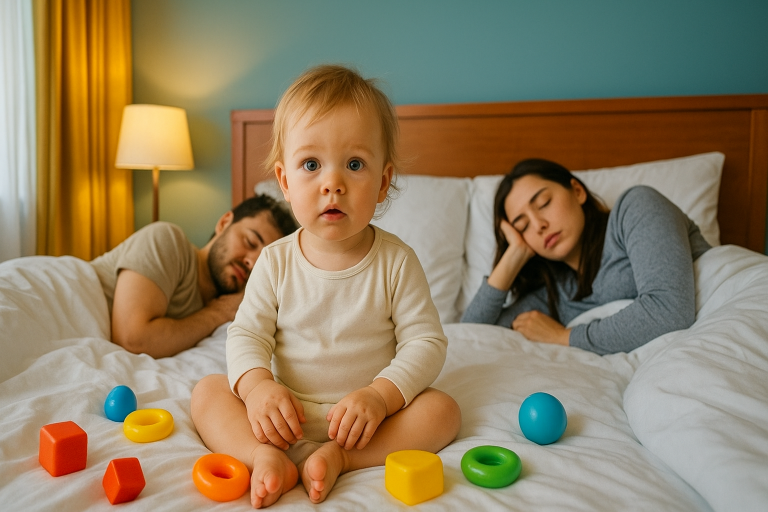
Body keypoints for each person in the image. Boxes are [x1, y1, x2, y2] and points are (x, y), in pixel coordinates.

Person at [190, 65, 461, 508]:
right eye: (311, 164)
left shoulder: (396, 262)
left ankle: (344, 459)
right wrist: (258, 388)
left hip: (368, 420)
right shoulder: (276, 261)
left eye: (354, 164)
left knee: (443, 411)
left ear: (382, 183)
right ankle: (262, 455)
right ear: (285, 182)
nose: (332, 183)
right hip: (283, 414)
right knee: (208, 391)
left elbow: (426, 342)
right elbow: (246, 334)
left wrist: (380, 395)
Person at [461, 158, 711, 355]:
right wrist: (512, 258)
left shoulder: (636, 208)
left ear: (577, 191)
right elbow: (471, 339)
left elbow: (670, 310)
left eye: (544, 203)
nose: (538, 225)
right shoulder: (557, 294)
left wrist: (563, 336)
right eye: (523, 225)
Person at [90, 194, 297, 358]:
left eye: (263, 261)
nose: (251, 262)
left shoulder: (240, 305)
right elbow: (132, 339)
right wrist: (218, 313)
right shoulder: (167, 240)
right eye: (250, 242)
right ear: (224, 222)